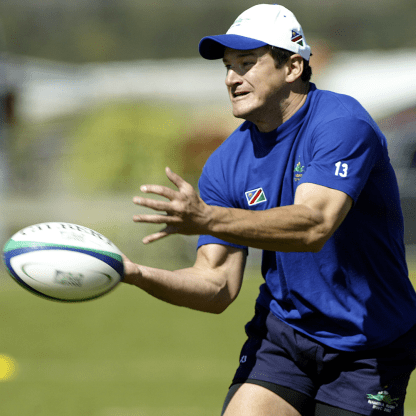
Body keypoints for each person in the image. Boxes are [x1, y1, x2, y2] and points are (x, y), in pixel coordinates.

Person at [122, 4, 416, 415]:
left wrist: (206, 219)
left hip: (369, 343)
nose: (231, 78)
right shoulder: (226, 162)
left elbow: (314, 225)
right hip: (285, 333)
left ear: (293, 67)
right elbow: (217, 285)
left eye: (246, 63)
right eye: (227, 66)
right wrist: (134, 274)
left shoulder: (342, 122)